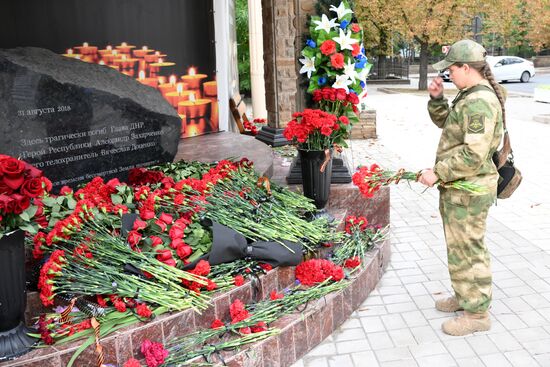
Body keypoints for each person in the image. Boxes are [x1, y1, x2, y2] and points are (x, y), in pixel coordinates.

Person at [418, 39, 505, 336]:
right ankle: (465, 296)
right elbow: (450, 125)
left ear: (466, 67)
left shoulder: (479, 101)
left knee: (469, 249)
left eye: (450, 70)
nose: (448, 75)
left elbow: (473, 154)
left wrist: (437, 172)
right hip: (460, 188)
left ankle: (477, 314)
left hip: (469, 190)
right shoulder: (469, 95)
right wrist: (437, 98)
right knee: (459, 248)